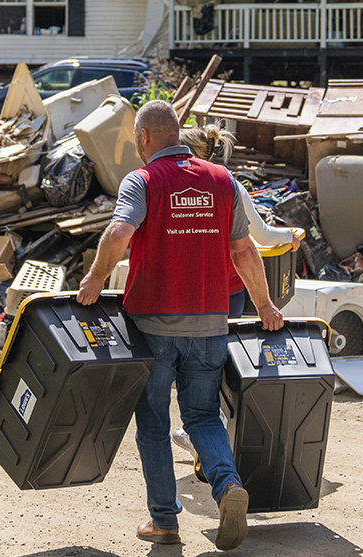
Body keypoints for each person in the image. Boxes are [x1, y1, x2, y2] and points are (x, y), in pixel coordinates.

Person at [77, 100, 284, 550]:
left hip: (153, 325)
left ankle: (165, 522)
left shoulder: (143, 180)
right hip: (211, 322)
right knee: (202, 415)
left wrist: (94, 279)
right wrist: (265, 305)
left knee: (152, 422)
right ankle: (228, 486)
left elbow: (118, 233)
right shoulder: (221, 180)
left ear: (145, 137)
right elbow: (244, 251)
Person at [170, 124, 301, 477]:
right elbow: (260, 237)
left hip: (186, 295)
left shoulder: (166, 183)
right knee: (222, 368)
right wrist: (291, 236)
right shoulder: (228, 183)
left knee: (195, 371)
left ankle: (203, 441)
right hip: (228, 291)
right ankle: (214, 436)